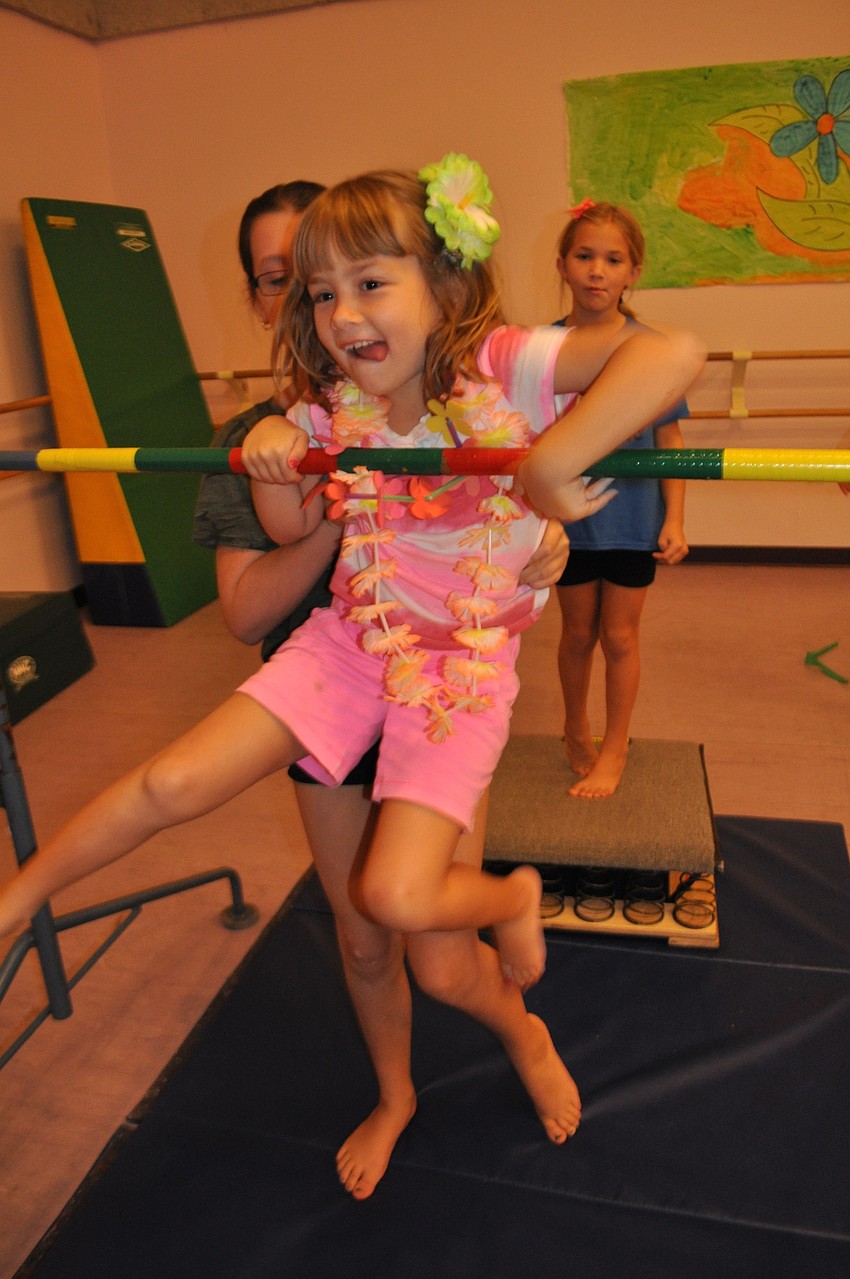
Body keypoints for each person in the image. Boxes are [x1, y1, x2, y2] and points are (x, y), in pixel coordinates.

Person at [0, 156, 705, 1187]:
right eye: (319, 294)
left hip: (456, 672)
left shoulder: (506, 365)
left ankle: (512, 930)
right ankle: (18, 899)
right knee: (173, 781)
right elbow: (288, 528)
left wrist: (551, 468)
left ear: (444, 287)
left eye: (369, 284)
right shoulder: (332, 404)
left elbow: (672, 352)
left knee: (408, 907)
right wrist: (278, 448)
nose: (338, 313)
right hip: (350, 643)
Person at [192, 179, 572, 1199]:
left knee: (441, 956)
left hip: (438, 686)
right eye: (288, 285)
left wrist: (545, 530)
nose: (322, 309)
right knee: (362, 931)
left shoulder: (442, 380)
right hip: (319, 693)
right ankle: (396, 1094)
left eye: (340, 281)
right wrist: (310, 486)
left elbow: (512, 483)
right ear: (265, 296)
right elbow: (242, 611)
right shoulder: (260, 430)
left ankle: (521, 1032)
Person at [551, 199, 690, 798]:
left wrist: (677, 518)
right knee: (577, 633)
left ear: (633, 272)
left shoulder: (651, 349)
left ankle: (616, 746)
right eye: (585, 256)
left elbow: (671, 437)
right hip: (569, 518)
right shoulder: (543, 348)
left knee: (621, 637)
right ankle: (575, 724)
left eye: (613, 259)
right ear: (563, 265)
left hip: (632, 518)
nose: (597, 271)